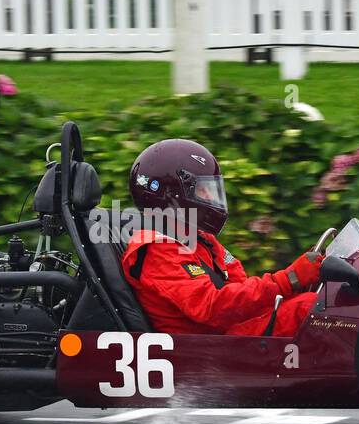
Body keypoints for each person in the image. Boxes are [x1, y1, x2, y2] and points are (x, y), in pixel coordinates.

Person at [120, 139, 323, 336]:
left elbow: (239, 285)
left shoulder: (200, 239)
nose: (210, 198)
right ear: (172, 195)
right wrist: (289, 280)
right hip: (206, 350)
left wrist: (294, 285)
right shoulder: (157, 250)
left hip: (228, 331)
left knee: (318, 301)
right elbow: (210, 307)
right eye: (203, 191)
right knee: (311, 309)